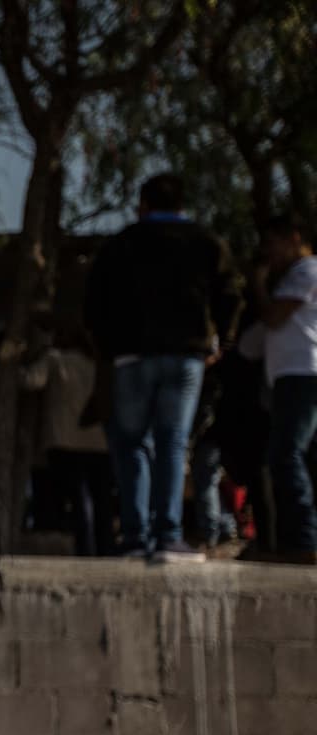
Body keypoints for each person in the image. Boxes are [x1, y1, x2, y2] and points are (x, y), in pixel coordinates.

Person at [84, 173, 243, 563]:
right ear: (182, 204)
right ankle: (168, 535)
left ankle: (135, 535)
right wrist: (220, 340)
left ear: (143, 204)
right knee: (173, 441)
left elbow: (94, 301)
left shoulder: (121, 243)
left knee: (132, 443)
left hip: (131, 355)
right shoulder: (205, 242)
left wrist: (107, 346)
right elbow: (230, 293)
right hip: (186, 353)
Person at [253, 213, 317, 564]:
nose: (269, 253)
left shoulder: (306, 271)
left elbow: (274, 317)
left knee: (285, 454)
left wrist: (259, 285)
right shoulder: (299, 274)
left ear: (294, 237)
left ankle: (302, 540)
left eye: (273, 244)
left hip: (301, 373)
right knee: (301, 455)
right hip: (294, 374)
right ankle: (303, 539)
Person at [20, 324, 114, 556]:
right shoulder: (96, 364)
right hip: (99, 442)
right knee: (101, 500)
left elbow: (30, 380)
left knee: (79, 500)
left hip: (64, 440)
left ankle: (86, 550)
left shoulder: (54, 360)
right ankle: (106, 549)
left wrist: (17, 363)